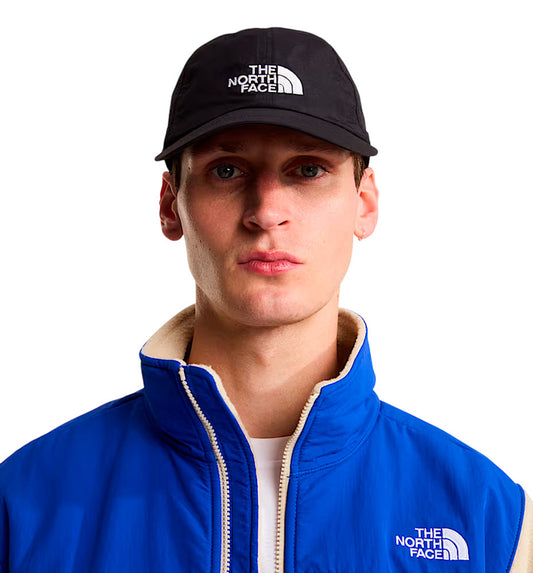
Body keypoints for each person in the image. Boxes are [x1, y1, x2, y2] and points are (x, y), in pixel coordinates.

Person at [0, 26, 531, 573]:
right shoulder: (22, 506)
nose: (267, 211)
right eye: (227, 170)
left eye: (308, 170)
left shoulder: (491, 522)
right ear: (170, 205)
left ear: (365, 203)